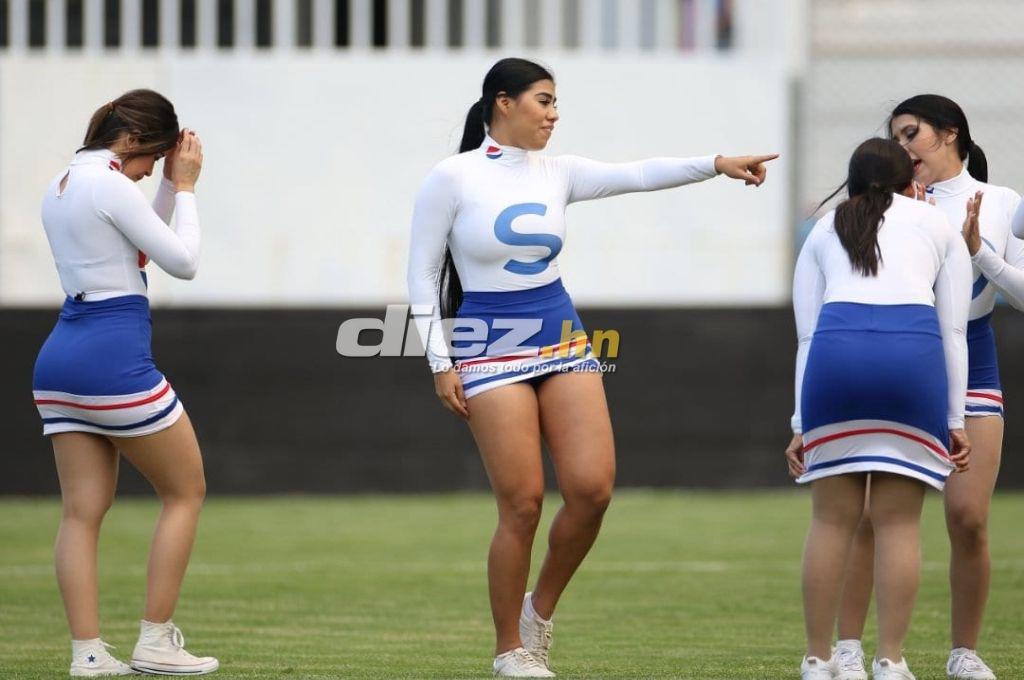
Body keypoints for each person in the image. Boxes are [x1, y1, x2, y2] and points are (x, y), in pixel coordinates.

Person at [407, 57, 777, 678]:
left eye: (555, 103)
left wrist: (715, 164)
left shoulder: (561, 172)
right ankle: (508, 652)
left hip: (562, 339)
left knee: (592, 489)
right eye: (543, 101)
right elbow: (420, 273)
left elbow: (638, 174)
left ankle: (538, 614)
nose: (554, 114)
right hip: (488, 343)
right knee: (522, 505)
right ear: (504, 103)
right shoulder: (452, 177)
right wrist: (440, 361)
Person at [832, 95, 1024, 680]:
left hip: (974, 357)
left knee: (968, 519)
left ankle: (964, 652)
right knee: (873, 514)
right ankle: (848, 648)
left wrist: (978, 252)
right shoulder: (883, 202)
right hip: (905, 356)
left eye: (911, 133)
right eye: (894, 136)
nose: (902, 146)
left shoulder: (1000, 202)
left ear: (950, 133)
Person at [33, 89, 218, 676]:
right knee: (185, 491)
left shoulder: (65, 182)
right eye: (150, 160)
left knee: (81, 512)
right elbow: (182, 261)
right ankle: (156, 641)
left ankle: (87, 654)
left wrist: (167, 186)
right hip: (113, 357)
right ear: (133, 140)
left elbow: (140, 238)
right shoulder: (111, 184)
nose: (148, 175)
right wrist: (186, 187)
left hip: (60, 358)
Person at [785, 138, 973, 680]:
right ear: (909, 177)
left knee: (830, 521)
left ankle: (819, 659)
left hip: (836, 362)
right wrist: (955, 420)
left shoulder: (824, 227)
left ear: (852, 177)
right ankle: (890, 660)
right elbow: (953, 330)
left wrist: (801, 423)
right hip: (910, 364)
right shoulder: (936, 223)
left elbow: (806, 336)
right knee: (897, 525)